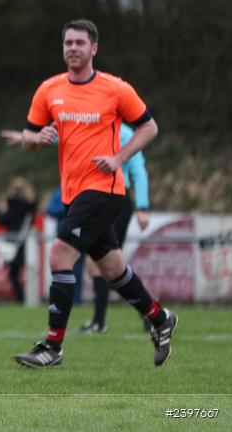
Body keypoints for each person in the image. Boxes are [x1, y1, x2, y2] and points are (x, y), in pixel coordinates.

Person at [12, 19, 176, 369]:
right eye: (68, 42)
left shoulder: (115, 89)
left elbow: (150, 127)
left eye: (80, 43)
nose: (73, 48)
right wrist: (35, 140)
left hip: (105, 190)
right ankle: (160, 319)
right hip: (74, 193)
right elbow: (28, 135)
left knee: (59, 256)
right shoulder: (49, 90)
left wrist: (119, 157)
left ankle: (52, 347)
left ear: (94, 49)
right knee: (113, 268)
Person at [78, 122, 152, 332]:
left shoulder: (125, 133)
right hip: (97, 200)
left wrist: (142, 207)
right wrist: (35, 137)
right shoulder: (91, 123)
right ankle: (150, 312)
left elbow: (138, 169)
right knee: (107, 265)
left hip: (115, 202)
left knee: (103, 263)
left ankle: (100, 322)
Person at [0, 177, 37, 304]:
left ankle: (21, 299)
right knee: (30, 270)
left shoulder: (12, 204)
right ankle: (30, 298)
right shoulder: (30, 205)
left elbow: (2, 221)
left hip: (14, 242)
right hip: (27, 242)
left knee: (13, 272)